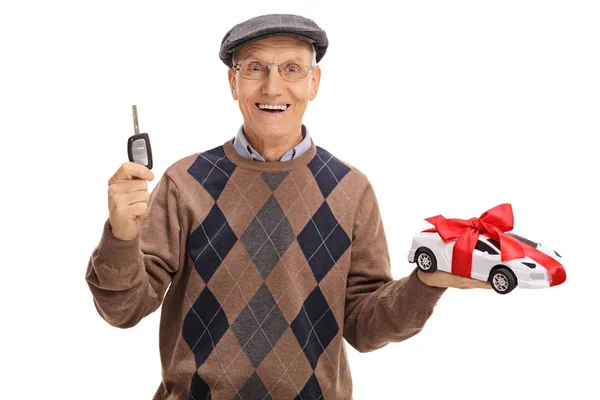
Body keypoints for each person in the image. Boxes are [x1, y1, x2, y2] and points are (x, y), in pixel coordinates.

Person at [86, 13, 490, 400]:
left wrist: (426, 283)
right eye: (255, 69)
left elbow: (365, 328)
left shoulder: (351, 189)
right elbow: (123, 309)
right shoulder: (183, 182)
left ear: (314, 82)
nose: (273, 88)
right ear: (233, 82)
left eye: (292, 69)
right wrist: (121, 236)